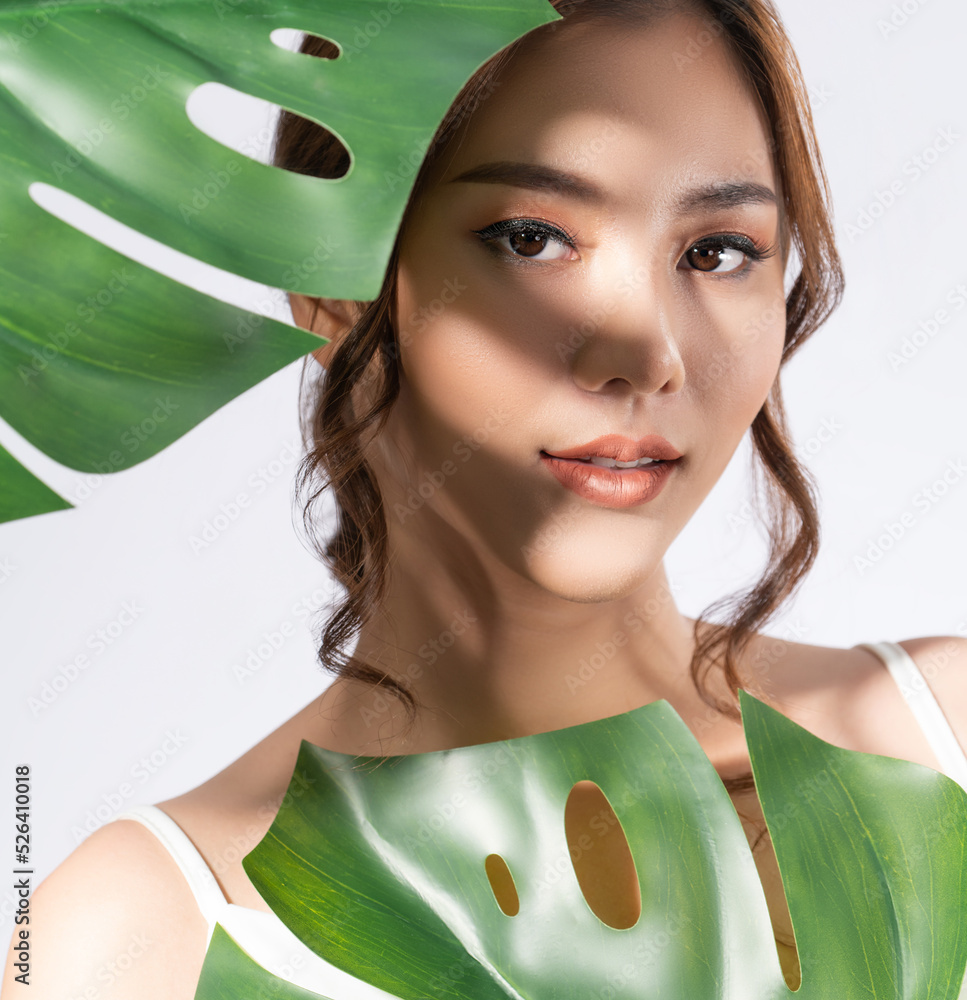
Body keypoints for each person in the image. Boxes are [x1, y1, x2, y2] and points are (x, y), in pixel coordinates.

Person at [5, 0, 966, 996]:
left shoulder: (943, 735)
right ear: (332, 283)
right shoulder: (143, 935)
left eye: (716, 251)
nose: (646, 352)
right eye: (529, 237)